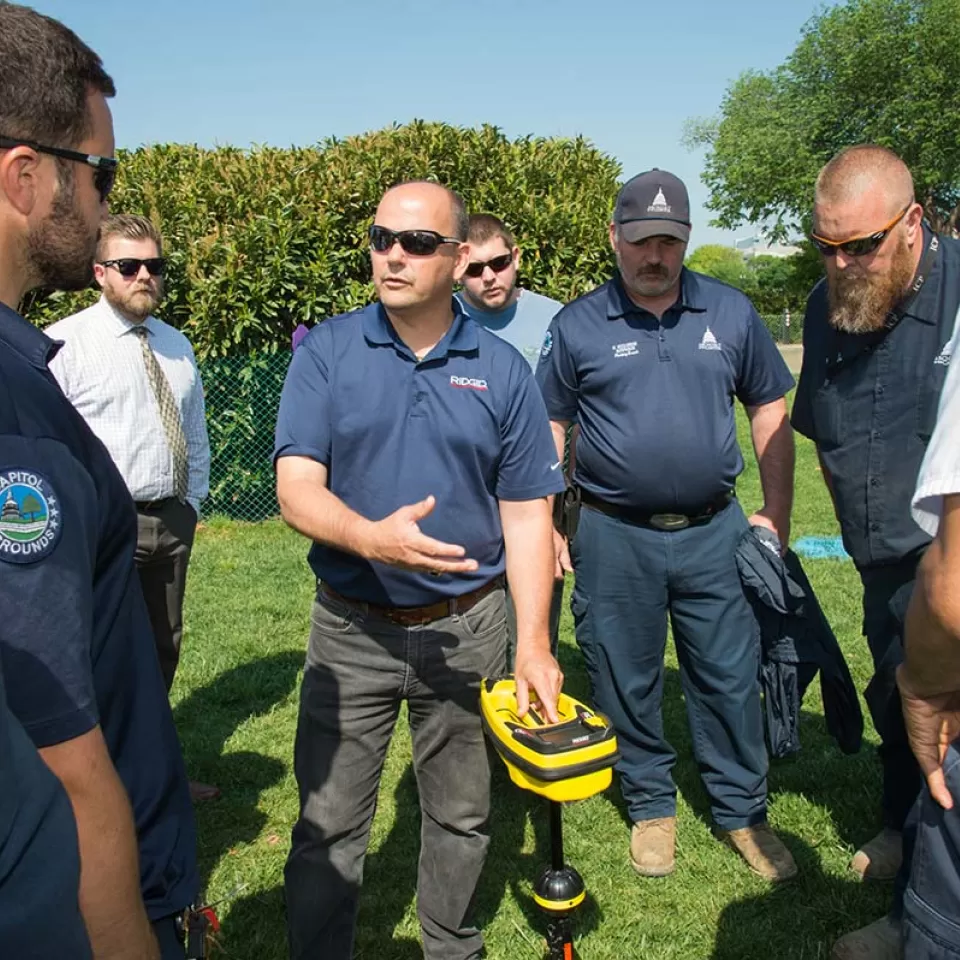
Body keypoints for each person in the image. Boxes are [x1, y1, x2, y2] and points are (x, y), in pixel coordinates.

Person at [275, 180, 565, 960]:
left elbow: (529, 514)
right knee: (328, 822)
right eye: (381, 239)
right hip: (351, 628)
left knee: (463, 816)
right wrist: (371, 538)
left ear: (460, 256)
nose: (393, 256)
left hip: (469, 630)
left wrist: (534, 643)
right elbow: (296, 488)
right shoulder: (327, 353)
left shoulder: (503, 372)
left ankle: (451, 945)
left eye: (417, 243)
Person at [0, 5, 199, 958]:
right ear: (27, 176)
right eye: (100, 172)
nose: (105, 198)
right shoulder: (15, 409)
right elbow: (64, 750)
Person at [537, 168, 798, 881]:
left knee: (728, 675)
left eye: (670, 242)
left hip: (716, 533)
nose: (656, 256)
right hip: (614, 533)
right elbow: (549, 422)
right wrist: (553, 523)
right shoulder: (578, 324)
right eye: (643, 241)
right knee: (625, 675)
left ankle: (743, 812)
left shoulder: (732, 313)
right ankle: (652, 803)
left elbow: (770, 409)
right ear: (614, 237)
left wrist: (774, 516)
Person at [792, 145, 960, 908]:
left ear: (913, 221)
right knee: (898, 698)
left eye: (861, 244)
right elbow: (822, 430)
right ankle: (899, 824)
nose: (843, 264)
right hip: (880, 561)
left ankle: (925, 901)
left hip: (951, 564)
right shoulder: (824, 308)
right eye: (825, 247)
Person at [47, 214, 217, 802]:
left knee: (161, 647)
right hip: (99, 528)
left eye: (155, 266)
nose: (145, 276)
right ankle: (93, 783)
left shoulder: (175, 345)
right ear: (100, 273)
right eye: (129, 266)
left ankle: (153, 768)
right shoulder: (64, 345)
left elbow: (194, 433)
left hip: (170, 521)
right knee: (100, 653)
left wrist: (190, 504)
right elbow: (49, 447)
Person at [456, 212, 566, 657]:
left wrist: (553, 525)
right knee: (467, 652)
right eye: (474, 269)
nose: (489, 277)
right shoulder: (441, 320)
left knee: (533, 639)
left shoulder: (555, 319)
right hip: (466, 501)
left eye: (498, 263)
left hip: (536, 494)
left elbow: (560, 423)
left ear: (516, 257)